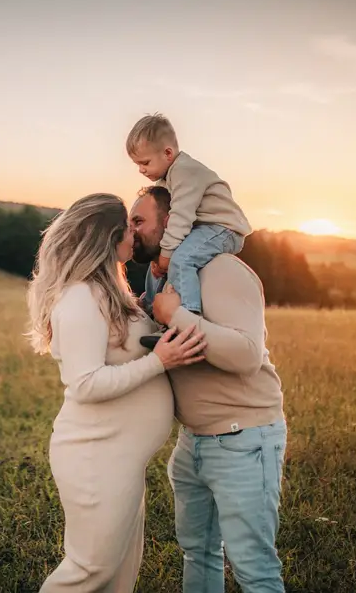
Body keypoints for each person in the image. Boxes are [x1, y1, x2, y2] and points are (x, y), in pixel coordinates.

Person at [25, 192, 208, 592]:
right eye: (128, 225)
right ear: (109, 236)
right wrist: (159, 361)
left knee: (120, 575)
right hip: (95, 457)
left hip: (121, 458)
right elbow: (86, 383)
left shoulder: (111, 292)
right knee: (90, 569)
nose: (133, 233)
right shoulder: (79, 298)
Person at [129, 185, 288, 593]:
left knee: (254, 570)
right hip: (193, 444)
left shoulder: (223, 270)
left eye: (139, 221)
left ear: (171, 222)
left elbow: (247, 354)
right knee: (197, 552)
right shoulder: (157, 275)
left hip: (243, 440)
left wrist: (177, 315)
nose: (131, 231)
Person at [126, 113, 252, 338]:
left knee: (182, 259)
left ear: (167, 153)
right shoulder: (166, 178)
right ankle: (151, 314)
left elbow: (181, 217)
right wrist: (161, 257)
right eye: (137, 165)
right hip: (203, 227)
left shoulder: (185, 171)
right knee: (158, 263)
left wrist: (167, 254)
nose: (141, 170)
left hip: (223, 228)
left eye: (145, 163)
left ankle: (188, 319)